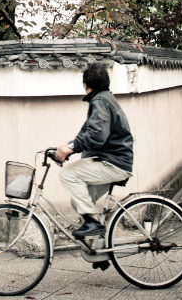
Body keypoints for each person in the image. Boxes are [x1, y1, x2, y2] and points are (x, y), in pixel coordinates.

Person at [54, 63, 134, 241]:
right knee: (79, 202)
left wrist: (71, 147)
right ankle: (101, 248)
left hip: (113, 163)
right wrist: (69, 148)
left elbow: (97, 134)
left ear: (85, 85)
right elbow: (86, 133)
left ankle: (92, 224)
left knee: (67, 174)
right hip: (114, 161)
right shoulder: (105, 99)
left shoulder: (99, 101)